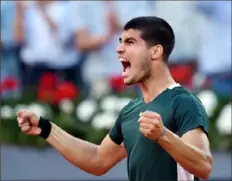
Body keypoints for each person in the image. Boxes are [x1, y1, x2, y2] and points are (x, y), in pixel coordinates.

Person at [16, 16, 212, 181]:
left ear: (155, 51)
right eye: (120, 42)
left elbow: (203, 165)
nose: (119, 49)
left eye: (129, 42)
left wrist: (163, 136)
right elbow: (97, 160)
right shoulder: (130, 110)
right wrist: (46, 128)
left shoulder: (184, 102)